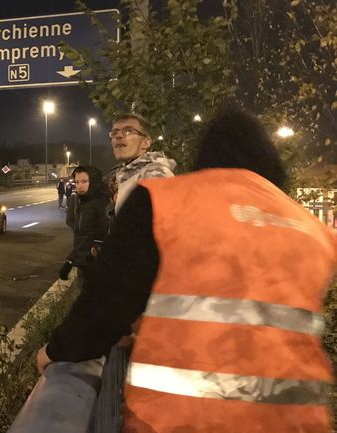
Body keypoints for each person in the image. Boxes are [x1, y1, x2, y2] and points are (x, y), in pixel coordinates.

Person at [36, 108, 337, 432]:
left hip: (183, 420)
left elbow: (107, 300)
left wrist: (56, 351)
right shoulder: (312, 229)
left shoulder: (163, 200)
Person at [109, 113, 175, 213]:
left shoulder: (154, 174)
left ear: (146, 142)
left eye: (128, 131)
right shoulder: (126, 176)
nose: (118, 136)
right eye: (114, 133)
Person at [59, 166, 109, 281]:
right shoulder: (79, 201)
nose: (79, 186)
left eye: (84, 181)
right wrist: (70, 261)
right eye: (77, 182)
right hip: (84, 265)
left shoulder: (102, 203)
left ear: (94, 181)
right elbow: (82, 238)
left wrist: (92, 254)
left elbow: (103, 236)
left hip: (97, 266)